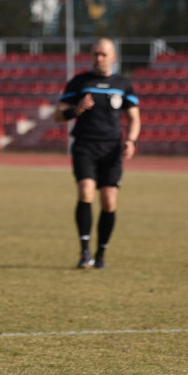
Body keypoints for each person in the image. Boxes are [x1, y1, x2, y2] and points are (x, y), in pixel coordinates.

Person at [54, 37, 141, 270]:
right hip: (85, 146)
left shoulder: (123, 84)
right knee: (85, 192)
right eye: (95, 54)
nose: (99, 58)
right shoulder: (79, 82)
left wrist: (131, 141)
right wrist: (77, 109)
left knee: (109, 201)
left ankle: (101, 253)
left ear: (113, 57)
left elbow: (134, 118)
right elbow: (59, 115)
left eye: (103, 54)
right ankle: (84, 253)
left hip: (112, 148)